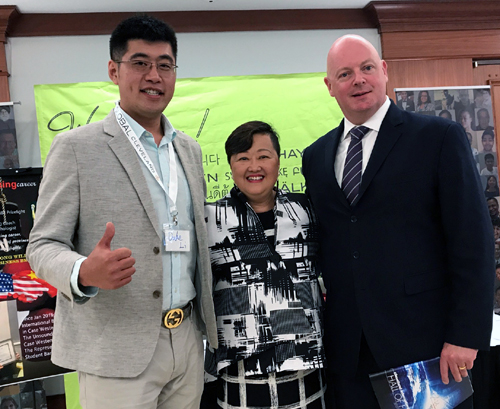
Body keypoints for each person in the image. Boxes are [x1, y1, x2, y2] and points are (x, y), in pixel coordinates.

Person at [26, 15, 216, 409]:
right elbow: (42, 245)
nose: (154, 75)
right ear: (114, 70)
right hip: (115, 348)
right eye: (140, 62)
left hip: (187, 340)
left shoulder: (189, 150)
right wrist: (83, 271)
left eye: (165, 64)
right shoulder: (76, 148)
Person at [302, 34, 494, 409]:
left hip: (427, 346)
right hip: (349, 353)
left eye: (367, 68)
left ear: (384, 71)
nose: (358, 79)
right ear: (330, 86)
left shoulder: (438, 138)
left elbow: (473, 241)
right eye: (345, 73)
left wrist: (465, 335)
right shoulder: (316, 156)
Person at [202, 121, 326, 409]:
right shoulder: (210, 219)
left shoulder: (307, 210)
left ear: (278, 161)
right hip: (240, 367)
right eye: (243, 158)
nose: (254, 166)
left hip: (307, 363)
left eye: (263, 156)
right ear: (230, 165)